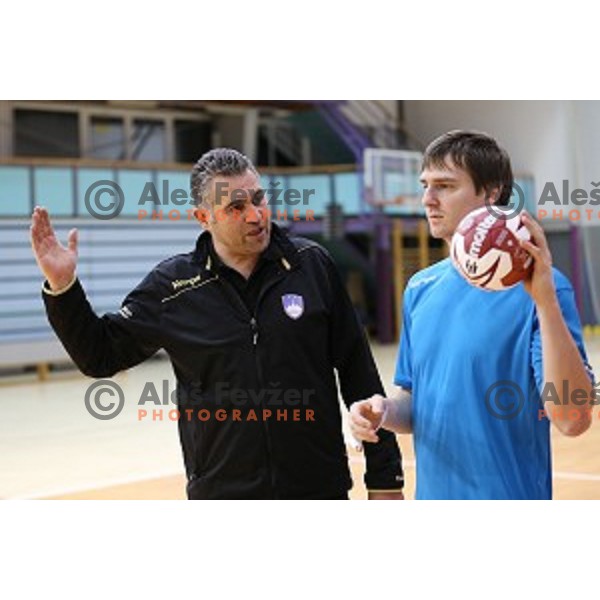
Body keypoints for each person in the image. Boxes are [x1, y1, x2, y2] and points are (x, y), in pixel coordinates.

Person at [30, 148, 404, 500]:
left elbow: (359, 373)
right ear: (203, 218)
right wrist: (63, 288)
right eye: (236, 207)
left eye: (258, 198)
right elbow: (99, 355)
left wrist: (384, 478)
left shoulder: (312, 266)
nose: (256, 215)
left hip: (319, 488)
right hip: (223, 495)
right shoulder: (172, 287)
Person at [349, 130, 596, 500]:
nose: (428, 199)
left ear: (492, 193)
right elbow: (417, 402)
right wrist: (382, 411)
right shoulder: (419, 288)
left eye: (445, 186)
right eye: (425, 185)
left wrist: (545, 303)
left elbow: (572, 419)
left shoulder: (544, 289)